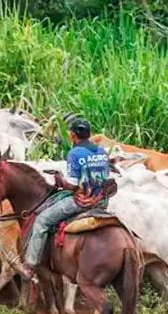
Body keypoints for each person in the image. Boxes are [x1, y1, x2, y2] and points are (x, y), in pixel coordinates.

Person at [19, 117, 112, 279]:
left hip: (80, 202)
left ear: (73, 136)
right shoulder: (102, 151)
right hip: (101, 201)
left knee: (42, 220)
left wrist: (60, 180)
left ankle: (30, 264)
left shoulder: (74, 153)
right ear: (89, 134)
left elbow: (73, 186)